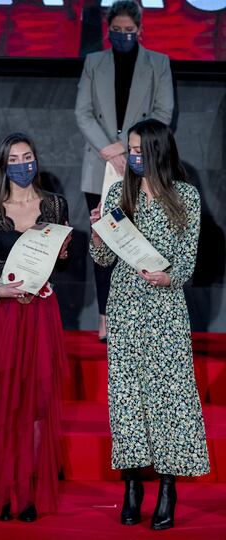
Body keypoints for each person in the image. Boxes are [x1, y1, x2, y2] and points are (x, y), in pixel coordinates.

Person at [89, 119, 210, 530]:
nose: (133, 156)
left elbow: (189, 261)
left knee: (169, 400)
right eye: (131, 149)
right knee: (127, 399)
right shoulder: (116, 193)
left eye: (140, 150)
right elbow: (103, 261)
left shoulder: (186, 196)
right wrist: (98, 236)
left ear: (159, 150)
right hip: (125, 306)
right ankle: (131, 485)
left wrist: (169, 276)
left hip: (165, 308)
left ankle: (167, 486)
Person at [0, 132, 70, 522]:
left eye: (29, 156)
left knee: (37, 406)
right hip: (1, 316)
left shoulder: (55, 205)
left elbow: (62, 265)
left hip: (40, 315)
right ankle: (3, 487)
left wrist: (63, 256)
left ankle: (28, 489)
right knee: (2, 402)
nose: (24, 164)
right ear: (3, 166)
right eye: (15, 158)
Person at [75, 0, 174, 342]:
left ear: (140, 30)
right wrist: (109, 149)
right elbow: (83, 112)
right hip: (100, 163)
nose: (121, 36)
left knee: (139, 239)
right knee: (103, 238)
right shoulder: (94, 62)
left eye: (128, 31)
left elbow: (163, 112)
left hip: (140, 162)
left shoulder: (158, 63)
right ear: (108, 29)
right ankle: (104, 317)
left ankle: (137, 316)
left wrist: (131, 147)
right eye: (116, 30)